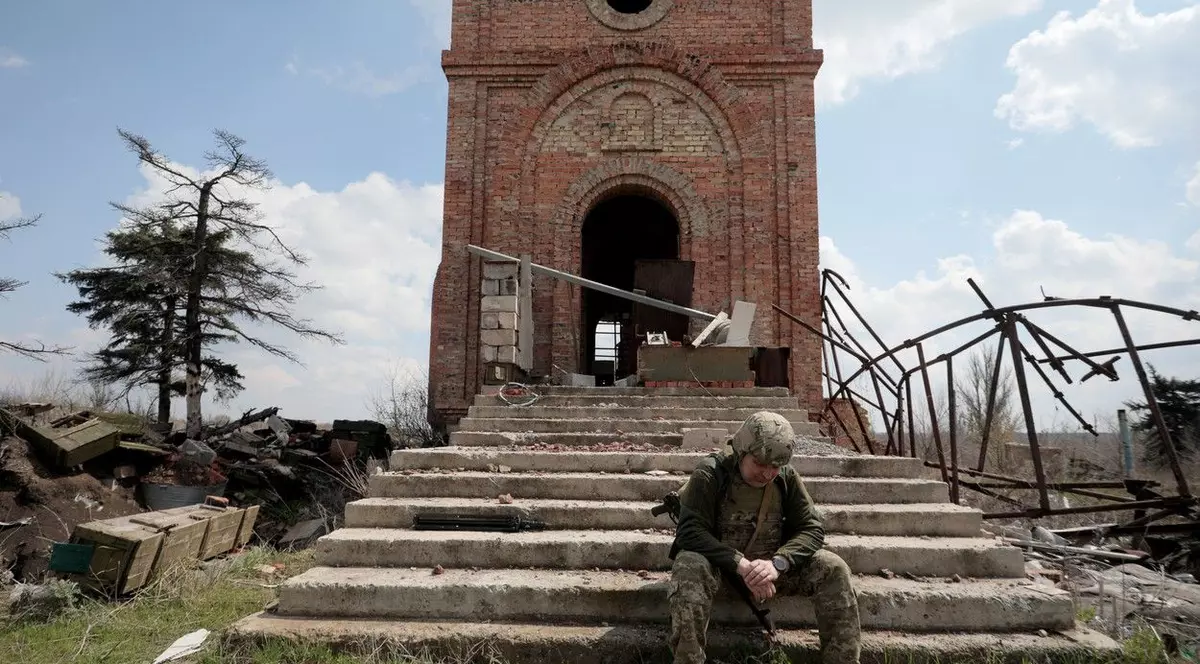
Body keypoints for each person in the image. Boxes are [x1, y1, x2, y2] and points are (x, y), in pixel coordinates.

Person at [667, 411, 861, 664]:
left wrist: (777, 564)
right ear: (741, 452)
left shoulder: (786, 477)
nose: (768, 473)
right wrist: (741, 564)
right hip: (723, 573)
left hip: (772, 573)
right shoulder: (710, 473)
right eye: (760, 463)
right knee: (689, 565)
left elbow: (811, 528)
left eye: (775, 466)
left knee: (834, 567)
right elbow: (690, 532)